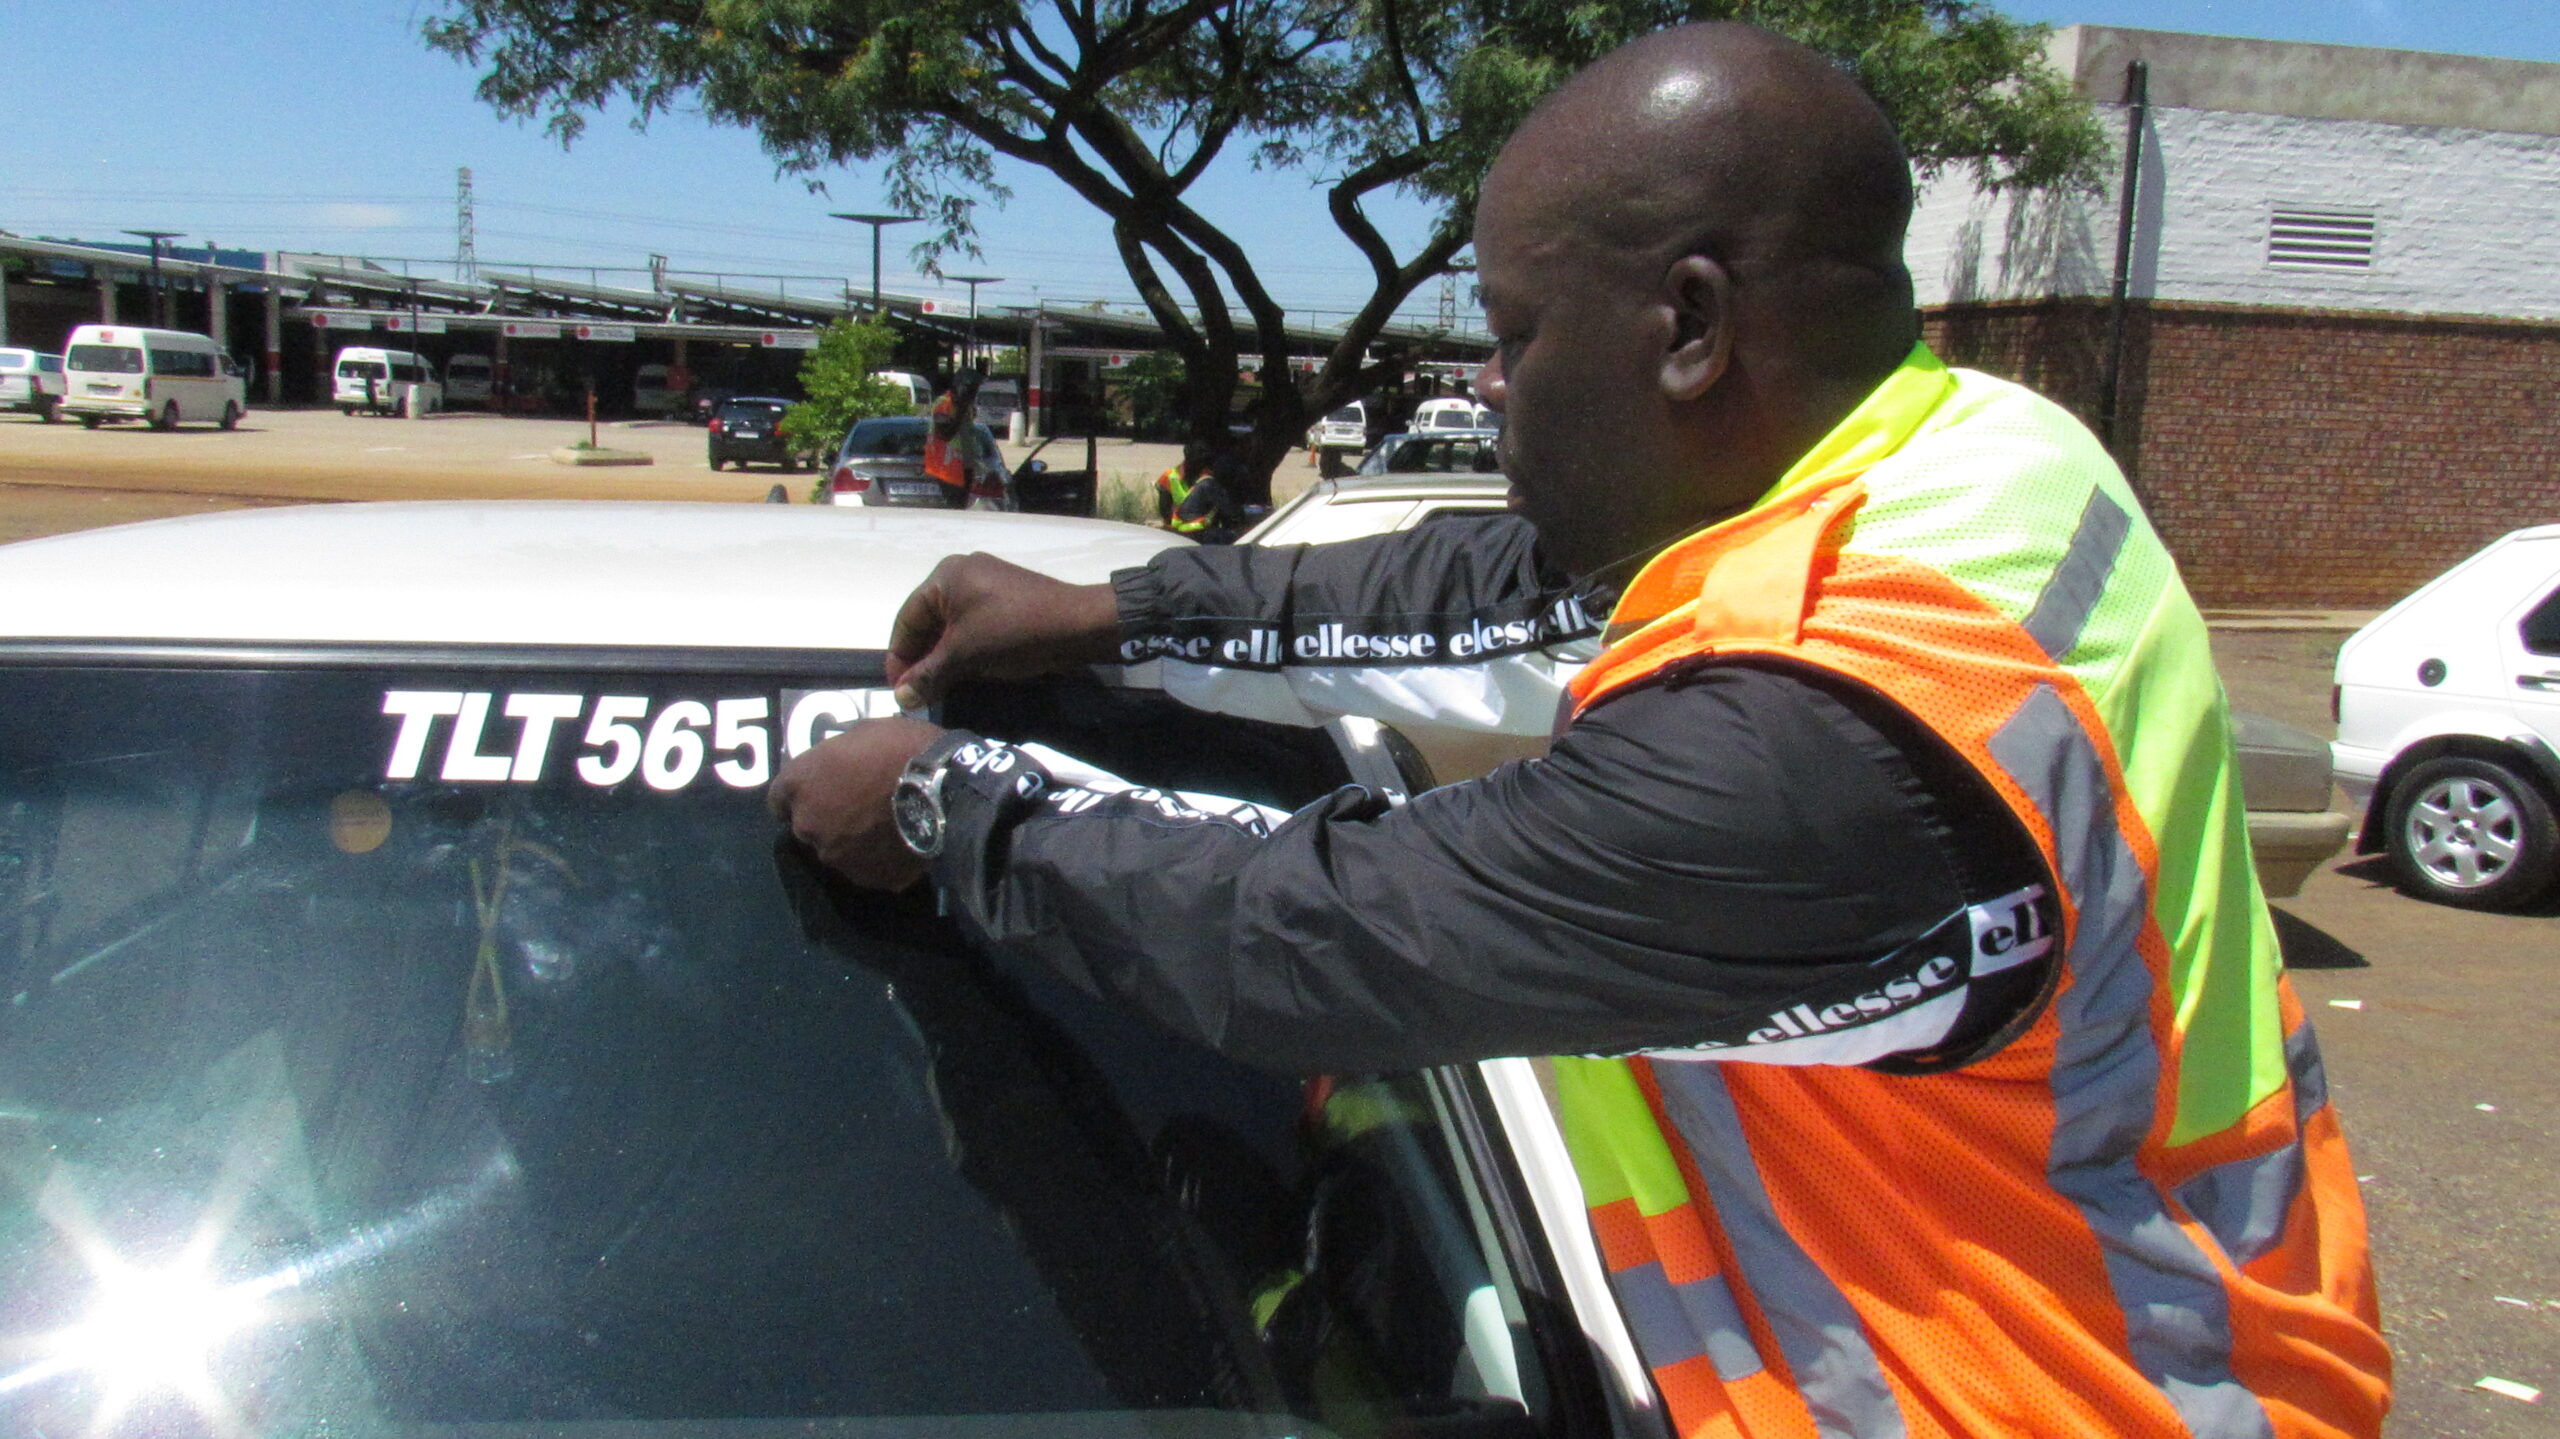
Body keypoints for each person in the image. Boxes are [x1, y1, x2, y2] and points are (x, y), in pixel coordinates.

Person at [772, 22, 2389, 1439]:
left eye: (1517, 329)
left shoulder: (1812, 746)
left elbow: (1315, 937)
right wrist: (1125, 611)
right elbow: (1506, 581)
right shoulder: (1970, 462)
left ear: (1688, 325)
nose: (1487, 380)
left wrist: (940, 805)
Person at [923, 369, 984, 509]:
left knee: (960, 510)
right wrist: (961, 409)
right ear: (958, 386)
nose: (972, 394)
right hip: (944, 470)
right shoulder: (944, 404)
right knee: (951, 512)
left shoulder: (966, 408)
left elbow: (968, 437)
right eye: (970, 389)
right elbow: (945, 433)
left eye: (974, 390)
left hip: (964, 469)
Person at [1155, 441, 1215, 534]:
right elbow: (1164, 509)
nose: (1200, 467)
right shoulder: (1169, 476)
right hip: (1176, 532)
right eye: (1196, 462)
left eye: (1202, 463)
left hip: (1204, 533)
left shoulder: (1207, 477)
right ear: (1187, 459)